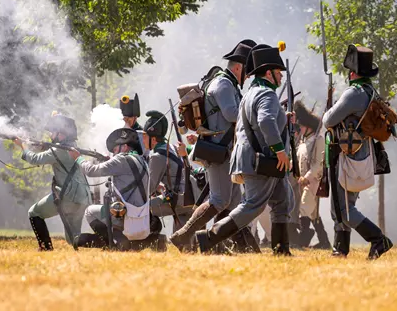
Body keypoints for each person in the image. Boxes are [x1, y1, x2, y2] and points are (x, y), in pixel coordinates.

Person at [195, 43, 294, 255]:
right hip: (264, 159)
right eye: (278, 72)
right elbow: (265, 121)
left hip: (256, 159)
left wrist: (282, 118)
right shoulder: (267, 94)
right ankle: (209, 237)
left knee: (283, 201)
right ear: (269, 73)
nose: (281, 77)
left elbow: (254, 121)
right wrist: (279, 150)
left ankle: (281, 250)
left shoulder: (251, 93)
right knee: (253, 206)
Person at [170, 39, 260, 253]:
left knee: (236, 204)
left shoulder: (228, 84)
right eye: (247, 71)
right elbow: (232, 114)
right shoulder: (224, 84)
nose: (247, 77)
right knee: (219, 201)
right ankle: (182, 236)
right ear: (238, 67)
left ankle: (239, 248)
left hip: (226, 151)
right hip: (219, 151)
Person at [323, 44, 392, 259]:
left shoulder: (353, 93)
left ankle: (379, 239)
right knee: (342, 206)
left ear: (353, 73)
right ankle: (340, 250)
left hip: (348, 156)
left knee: (344, 209)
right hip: (362, 155)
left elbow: (328, 120)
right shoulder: (370, 91)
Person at [72, 127, 165, 251]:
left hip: (124, 215)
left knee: (90, 211)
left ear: (125, 147)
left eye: (115, 149)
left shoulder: (121, 160)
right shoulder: (142, 160)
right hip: (142, 216)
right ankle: (125, 242)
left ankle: (115, 243)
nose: (114, 153)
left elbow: (91, 171)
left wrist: (78, 158)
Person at [14, 113, 91, 251]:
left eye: (53, 132)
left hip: (67, 196)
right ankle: (105, 242)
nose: (50, 135)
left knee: (34, 213)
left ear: (61, 134)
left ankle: (46, 248)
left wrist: (23, 146)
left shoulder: (58, 150)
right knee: (73, 238)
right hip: (82, 197)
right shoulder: (74, 146)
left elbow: (35, 159)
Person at [143, 111, 201, 248]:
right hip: (191, 196)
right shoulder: (173, 147)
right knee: (183, 245)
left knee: (141, 209)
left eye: (145, 136)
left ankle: (154, 241)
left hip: (178, 200)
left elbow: (148, 188)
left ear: (153, 138)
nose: (143, 140)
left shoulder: (157, 156)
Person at [294, 101, 331, 249]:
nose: (300, 128)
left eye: (302, 126)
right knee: (313, 212)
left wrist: (306, 178)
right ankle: (324, 241)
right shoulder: (303, 142)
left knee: (304, 208)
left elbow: (318, 164)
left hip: (313, 181)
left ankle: (302, 239)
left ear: (309, 127)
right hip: (302, 181)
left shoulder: (319, 140)